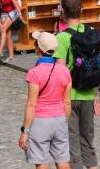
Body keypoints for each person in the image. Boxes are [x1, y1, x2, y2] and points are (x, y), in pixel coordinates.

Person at [53, 0, 98, 169]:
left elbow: (61, 72)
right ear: (82, 11)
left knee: (72, 142)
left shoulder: (62, 38)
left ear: (62, 13)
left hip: (69, 97)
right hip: (88, 93)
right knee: (87, 140)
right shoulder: (91, 33)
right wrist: (94, 95)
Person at [20, 32, 72, 169]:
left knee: (42, 162)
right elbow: (67, 101)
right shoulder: (65, 71)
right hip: (59, 118)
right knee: (63, 160)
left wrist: (25, 131)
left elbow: (32, 104)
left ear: (38, 48)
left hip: (40, 121)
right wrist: (64, 121)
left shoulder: (34, 72)